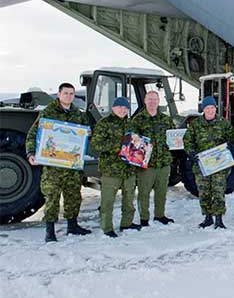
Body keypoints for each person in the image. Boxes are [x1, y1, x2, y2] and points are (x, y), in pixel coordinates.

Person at [25, 82, 91, 242]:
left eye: (71, 94)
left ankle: (72, 225)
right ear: (59, 94)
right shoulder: (48, 112)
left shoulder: (78, 114)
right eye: (66, 93)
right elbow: (33, 134)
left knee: (73, 196)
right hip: (53, 165)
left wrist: (87, 133)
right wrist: (30, 153)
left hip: (71, 165)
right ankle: (50, 231)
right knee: (52, 198)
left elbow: (85, 133)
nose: (69, 96)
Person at [91, 97, 141, 237]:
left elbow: (135, 144)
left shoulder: (131, 124)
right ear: (113, 108)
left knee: (129, 199)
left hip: (129, 169)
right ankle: (107, 227)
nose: (123, 110)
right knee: (108, 201)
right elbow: (96, 144)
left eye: (125, 108)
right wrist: (119, 145)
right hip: (111, 169)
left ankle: (127, 223)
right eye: (119, 107)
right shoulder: (104, 123)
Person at [184, 96, 234, 229]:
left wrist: (229, 146)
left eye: (212, 108)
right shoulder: (196, 124)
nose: (210, 110)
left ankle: (219, 219)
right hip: (201, 165)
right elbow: (188, 140)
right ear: (203, 109)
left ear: (215, 108)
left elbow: (231, 139)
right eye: (207, 108)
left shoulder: (223, 123)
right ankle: (207, 218)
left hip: (219, 165)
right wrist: (191, 152)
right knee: (204, 192)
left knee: (218, 191)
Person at [131, 91, 176, 226]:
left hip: (163, 163)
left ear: (158, 101)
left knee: (161, 192)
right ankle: (144, 219)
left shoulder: (166, 119)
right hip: (146, 165)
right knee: (144, 193)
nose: (152, 102)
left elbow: (173, 138)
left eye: (155, 99)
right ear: (145, 101)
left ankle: (159, 215)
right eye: (149, 99)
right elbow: (132, 142)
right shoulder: (137, 120)